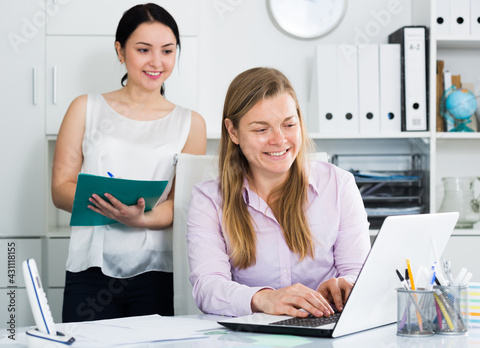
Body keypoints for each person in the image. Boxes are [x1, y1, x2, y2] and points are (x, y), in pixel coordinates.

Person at [52, 3, 206, 322]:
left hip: (158, 269)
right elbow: (60, 189)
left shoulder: (191, 123)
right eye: (143, 49)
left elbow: (182, 202)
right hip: (90, 268)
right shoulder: (85, 108)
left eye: (167, 50)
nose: (156, 62)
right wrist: (109, 206)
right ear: (121, 51)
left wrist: (140, 219)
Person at [187, 67, 370, 318]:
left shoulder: (339, 185)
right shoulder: (209, 200)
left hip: (325, 328)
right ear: (233, 132)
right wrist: (264, 298)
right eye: (262, 129)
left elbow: (359, 272)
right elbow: (207, 288)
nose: (280, 140)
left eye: (289, 124)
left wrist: (346, 285)